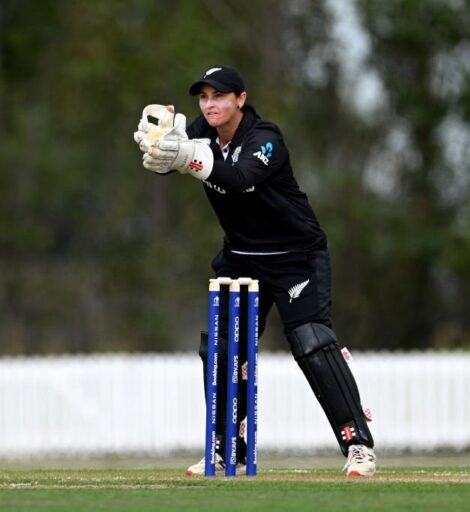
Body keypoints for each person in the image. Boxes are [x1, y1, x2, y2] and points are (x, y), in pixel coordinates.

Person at [133, 65, 376, 477]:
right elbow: (181, 152)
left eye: (220, 96)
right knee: (220, 348)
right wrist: (164, 154)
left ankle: (358, 447)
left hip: (296, 255)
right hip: (242, 257)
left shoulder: (266, 139)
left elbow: (238, 178)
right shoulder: (201, 132)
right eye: (204, 97)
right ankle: (229, 450)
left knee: (312, 343)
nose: (210, 105)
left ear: (240, 100)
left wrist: (189, 159)